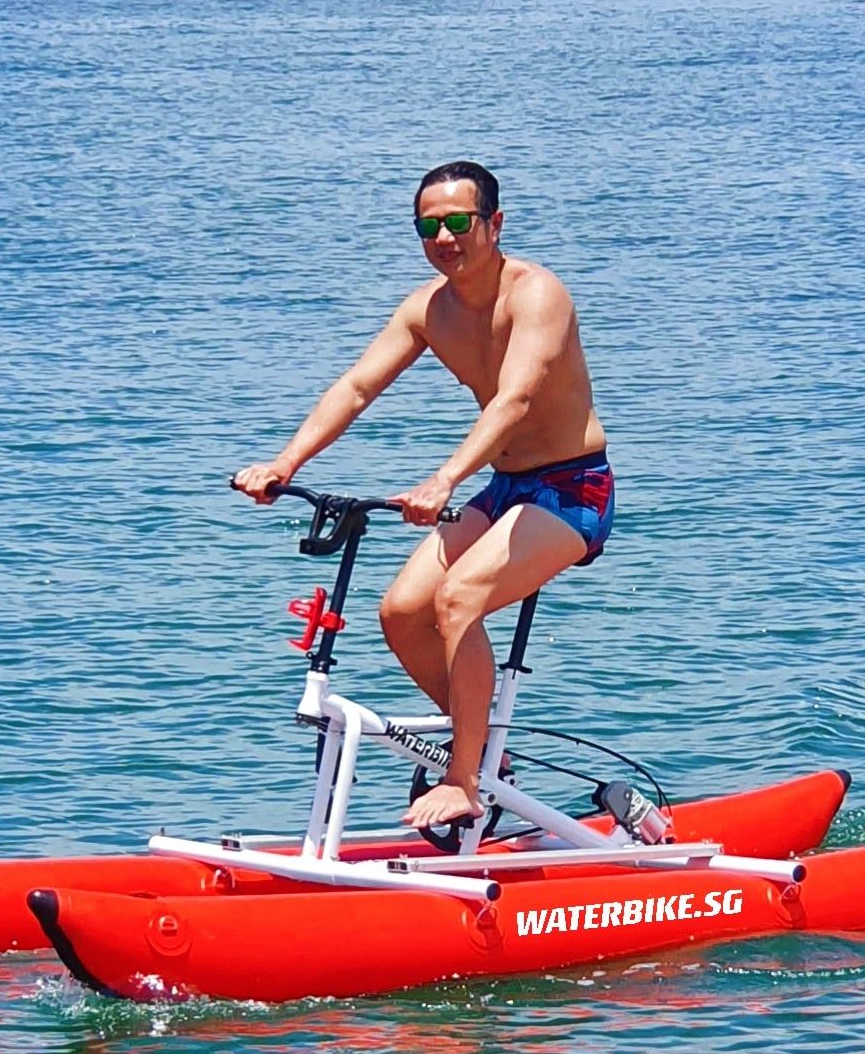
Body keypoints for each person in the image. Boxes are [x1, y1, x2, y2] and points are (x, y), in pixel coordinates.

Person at [232, 161, 613, 832]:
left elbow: (516, 399)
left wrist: (444, 479)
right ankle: (488, 752)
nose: (444, 237)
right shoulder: (428, 309)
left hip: (570, 490)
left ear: (494, 224)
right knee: (403, 611)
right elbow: (355, 388)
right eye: (428, 226)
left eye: (459, 222)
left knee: (458, 598)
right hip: (505, 488)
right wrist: (284, 463)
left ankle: (465, 778)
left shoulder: (537, 294)